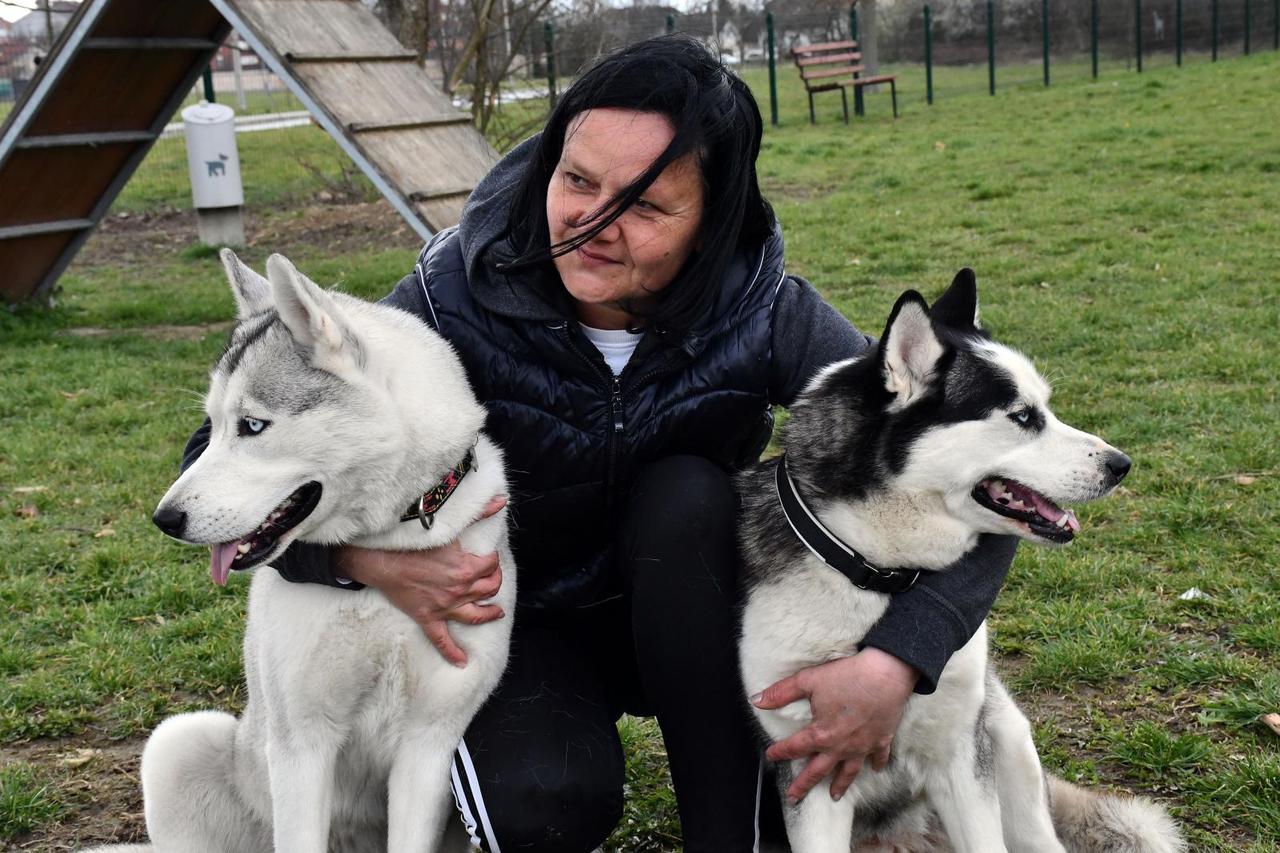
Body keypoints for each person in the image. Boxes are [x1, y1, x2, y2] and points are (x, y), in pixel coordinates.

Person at [182, 35, 1016, 853]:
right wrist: (356, 561)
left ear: (711, 222)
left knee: (687, 493)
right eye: (577, 180)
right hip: (521, 623)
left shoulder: (765, 311)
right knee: (541, 804)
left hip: (709, 612)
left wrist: (898, 661)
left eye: (646, 207)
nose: (592, 222)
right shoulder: (454, 297)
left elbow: (972, 476)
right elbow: (227, 465)